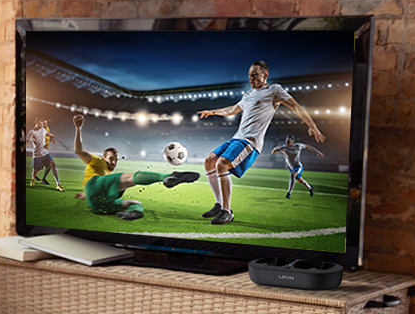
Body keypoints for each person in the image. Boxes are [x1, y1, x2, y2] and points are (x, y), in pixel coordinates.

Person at [196, 60, 325, 225]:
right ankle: (219, 204)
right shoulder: (248, 94)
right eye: (249, 75)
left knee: (222, 164)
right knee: (209, 161)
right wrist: (213, 111)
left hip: (250, 141)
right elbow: (234, 109)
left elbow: (296, 107)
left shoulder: (274, 90)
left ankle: (227, 212)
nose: (251, 78)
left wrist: (312, 126)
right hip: (237, 138)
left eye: (255, 75)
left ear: (265, 75)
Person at [69, 114, 199, 220]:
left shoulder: (106, 175)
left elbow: (95, 193)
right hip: (93, 188)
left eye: (116, 160)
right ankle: (168, 176)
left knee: (135, 203)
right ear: (103, 158)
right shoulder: (97, 161)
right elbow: (78, 151)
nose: (114, 162)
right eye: (111, 159)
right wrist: (78, 128)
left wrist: (84, 195)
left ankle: (133, 212)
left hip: (97, 207)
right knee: (129, 178)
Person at [24, 118, 63, 191]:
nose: (41, 125)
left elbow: (49, 134)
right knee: (35, 172)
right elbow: (27, 141)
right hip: (37, 154)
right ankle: (33, 179)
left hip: (45, 153)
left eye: (42, 124)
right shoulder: (32, 132)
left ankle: (58, 184)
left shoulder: (42, 129)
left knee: (53, 165)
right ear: (36, 122)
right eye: (39, 124)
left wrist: (51, 137)